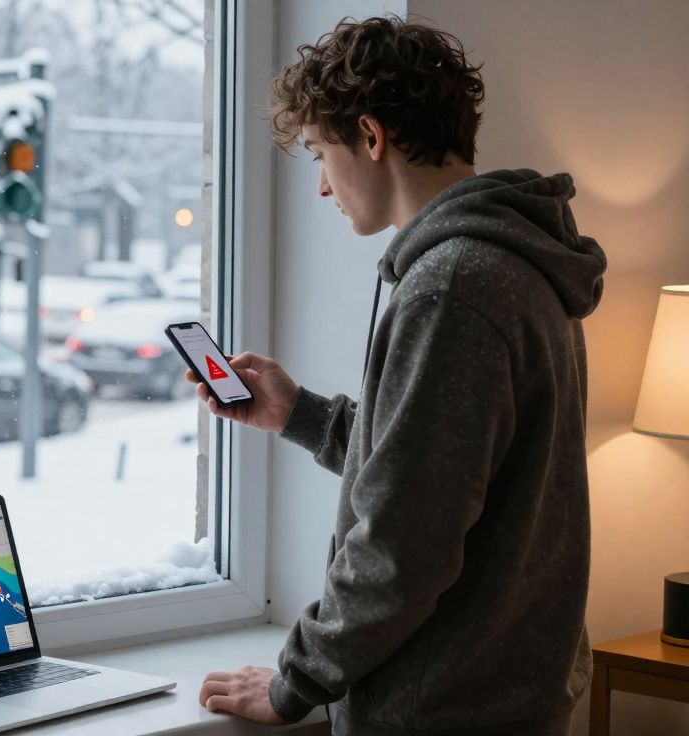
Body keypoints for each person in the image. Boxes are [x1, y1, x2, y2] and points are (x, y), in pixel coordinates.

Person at [191, 15, 606, 736]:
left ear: (372, 137)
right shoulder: (517, 260)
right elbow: (440, 468)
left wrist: (293, 685)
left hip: (445, 709)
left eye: (322, 153)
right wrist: (300, 415)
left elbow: (400, 545)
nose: (322, 186)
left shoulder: (454, 285)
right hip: (509, 695)